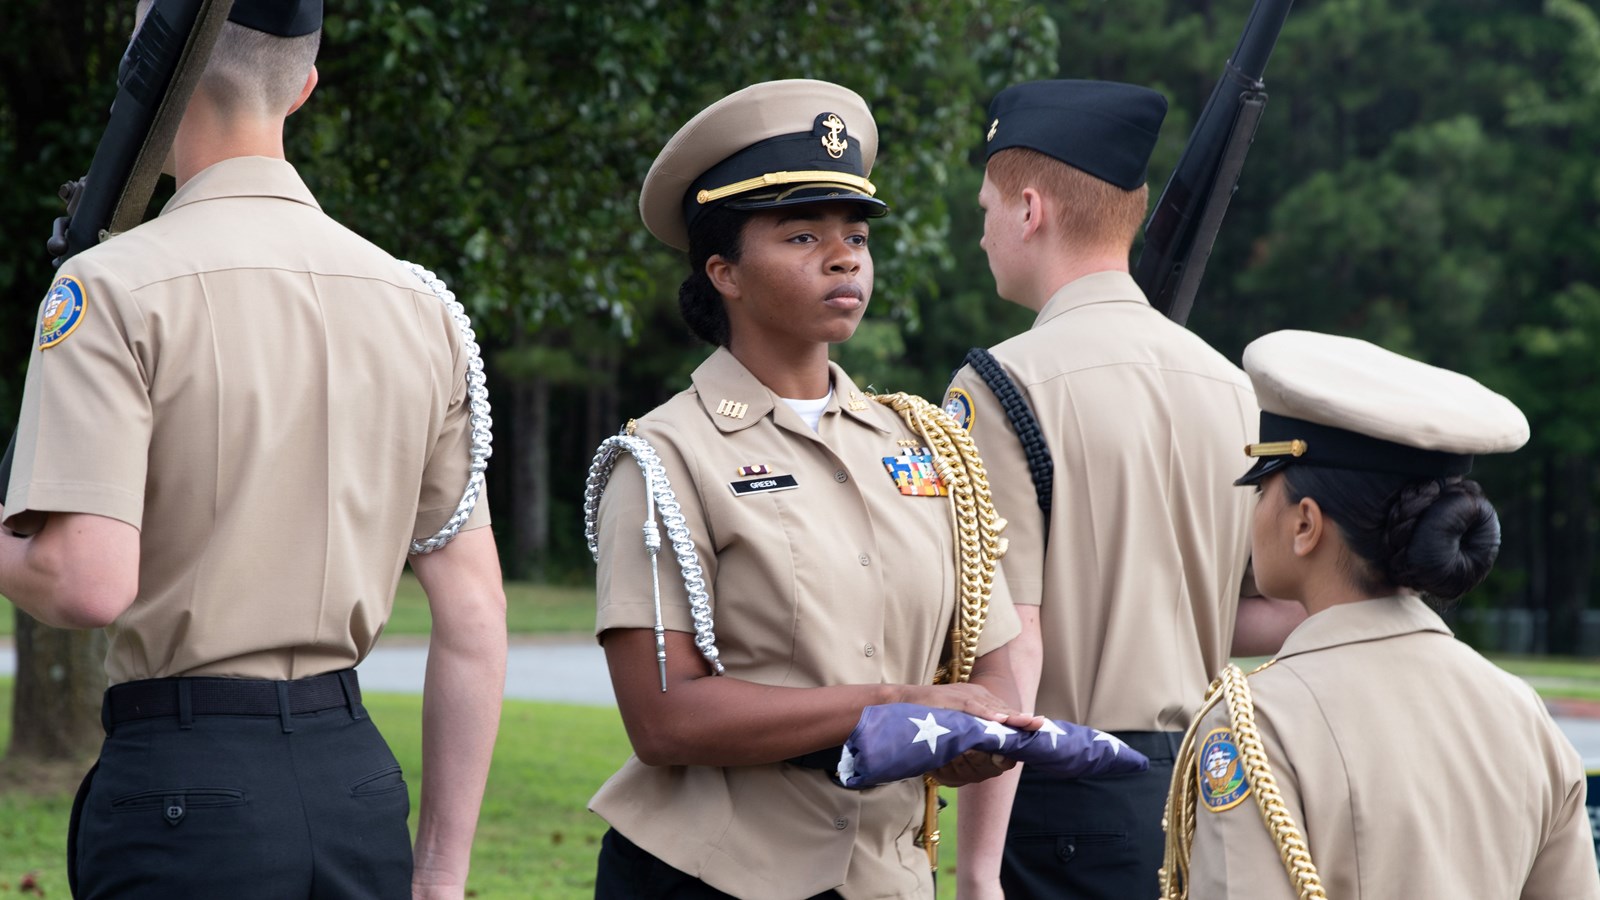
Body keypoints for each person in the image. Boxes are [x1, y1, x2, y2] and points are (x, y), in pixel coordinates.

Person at [0, 2, 507, 897]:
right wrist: (440, 873)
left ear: (145, 76)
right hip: (355, 782)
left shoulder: (112, 286)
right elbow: (473, 616)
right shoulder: (422, 308)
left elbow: (85, 580)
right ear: (304, 86)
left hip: (184, 795)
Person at [588, 79, 1036, 900]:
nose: (844, 258)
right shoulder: (665, 455)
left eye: (856, 237)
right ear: (723, 270)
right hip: (711, 876)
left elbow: (991, 656)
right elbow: (664, 719)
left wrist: (979, 731)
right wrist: (893, 702)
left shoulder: (924, 444)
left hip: (885, 876)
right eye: (802, 235)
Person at [945, 79, 1305, 899]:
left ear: (1029, 209)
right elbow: (1284, 605)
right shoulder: (1232, 386)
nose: (983, 233)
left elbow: (1015, 644)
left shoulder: (1001, 385)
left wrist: (977, 872)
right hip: (1199, 791)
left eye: (985, 209)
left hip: (1059, 794)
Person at [1163, 329, 1600, 899]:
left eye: (1261, 489)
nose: (1255, 511)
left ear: (1305, 524)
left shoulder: (1255, 726)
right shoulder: (1522, 714)